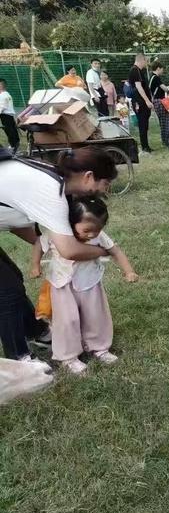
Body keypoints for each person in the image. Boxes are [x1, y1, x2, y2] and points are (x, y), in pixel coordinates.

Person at [0, 147, 118, 363]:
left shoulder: (54, 182)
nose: (104, 192)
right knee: (7, 292)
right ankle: (20, 358)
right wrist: (105, 251)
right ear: (89, 177)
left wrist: (49, 244)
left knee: (12, 279)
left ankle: (38, 332)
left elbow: (18, 218)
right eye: (105, 185)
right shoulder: (51, 191)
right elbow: (70, 250)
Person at [31, 196, 138, 374]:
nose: (92, 235)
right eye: (87, 230)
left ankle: (99, 347)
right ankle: (69, 357)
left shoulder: (99, 236)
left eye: (97, 230)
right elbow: (38, 245)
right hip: (62, 285)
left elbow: (115, 250)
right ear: (73, 222)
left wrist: (129, 271)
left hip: (90, 283)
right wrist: (35, 265)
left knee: (96, 315)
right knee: (66, 320)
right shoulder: (57, 233)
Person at [149, 61, 169, 148]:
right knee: (164, 123)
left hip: (163, 101)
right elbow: (166, 89)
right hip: (159, 102)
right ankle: (165, 142)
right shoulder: (155, 77)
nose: (163, 71)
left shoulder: (155, 78)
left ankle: (168, 140)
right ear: (158, 68)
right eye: (162, 69)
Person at [128, 54, 154, 154]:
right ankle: (144, 147)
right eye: (146, 61)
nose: (147, 63)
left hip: (142, 102)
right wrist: (147, 100)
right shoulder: (135, 70)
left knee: (145, 124)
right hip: (140, 102)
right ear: (141, 60)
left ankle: (146, 145)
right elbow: (139, 87)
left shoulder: (138, 70)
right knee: (143, 124)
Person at [0, 79, 19, 153]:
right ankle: (14, 144)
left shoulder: (2, 96)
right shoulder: (7, 94)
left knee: (9, 131)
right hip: (9, 115)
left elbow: (1, 107)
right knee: (12, 130)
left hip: (5, 116)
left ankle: (13, 146)